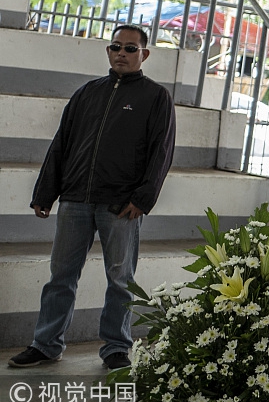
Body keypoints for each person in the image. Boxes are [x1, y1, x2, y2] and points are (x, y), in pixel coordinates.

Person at [8, 24, 176, 371]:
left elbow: (161, 152)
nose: (122, 54)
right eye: (116, 47)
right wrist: (45, 192)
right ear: (108, 51)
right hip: (75, 200)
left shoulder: (155, 97)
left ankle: (116, 346)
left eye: (131, 49)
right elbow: (61, 144)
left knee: (120, 280)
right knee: (61, 276)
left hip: (121, 205)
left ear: (144, 55)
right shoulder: (86, 93)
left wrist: (143, 199)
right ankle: (46, 344)